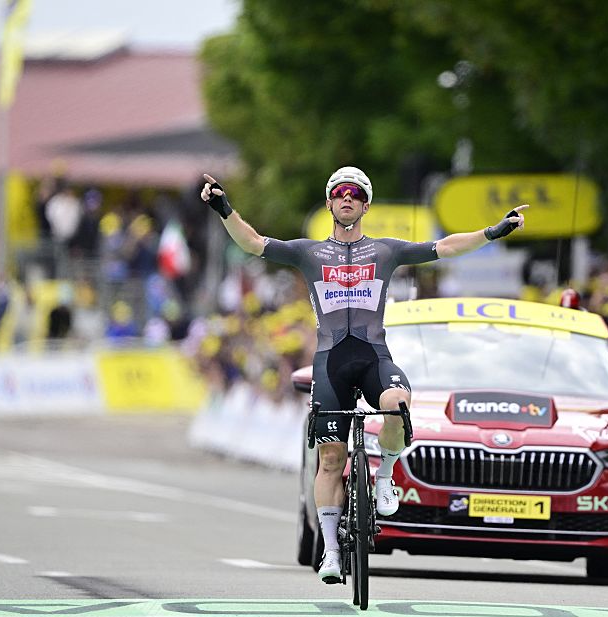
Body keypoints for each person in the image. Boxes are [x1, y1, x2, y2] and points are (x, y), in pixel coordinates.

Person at [201, 167, 528, 584]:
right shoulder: (308, 253)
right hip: (330, 362)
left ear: (366, 205)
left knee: (398, 403)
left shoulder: (386, 251)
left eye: (355, 193)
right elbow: (252, 242)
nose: (347, 198)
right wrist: (224, 208)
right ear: (329, 203)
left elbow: (445, 247)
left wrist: (492, 232)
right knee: (330, 460)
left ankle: (386, 474)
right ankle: (332, 551)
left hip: (374, 357)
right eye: (339, 192)